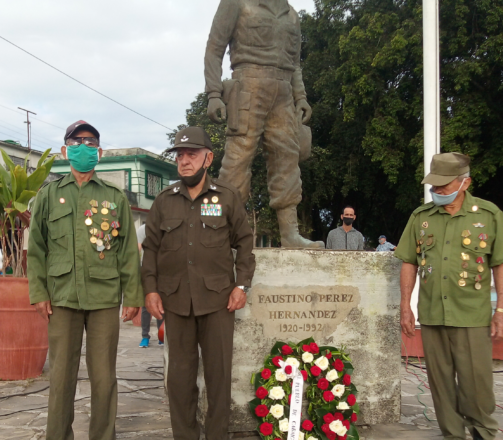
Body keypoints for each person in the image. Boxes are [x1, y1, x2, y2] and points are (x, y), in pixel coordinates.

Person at [27, 120, 143, 440]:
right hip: (61, 297)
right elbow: (36, 248)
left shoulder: (113, 197)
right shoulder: (49, 196)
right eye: (76, 142)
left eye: (90, 143)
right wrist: (38, 292)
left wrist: (133, 296)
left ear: (100, 153)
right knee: (61, 378)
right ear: (66, 151)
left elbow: (127, 251)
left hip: (103, 297)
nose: (83, 148)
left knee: (104, 379)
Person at [395, 152, 503, 440]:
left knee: (476, 383)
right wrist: (405, 306)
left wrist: (502, 311)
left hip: (471, 316)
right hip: (432, 314)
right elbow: (408, 262)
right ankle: (452, 434)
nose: (437, 190)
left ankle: (483, 432)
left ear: (465, 183)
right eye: (434, 185)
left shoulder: (489, 216)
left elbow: (502, 263)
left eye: (444, 185)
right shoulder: (421, 217)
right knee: (439, 383)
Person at [142, 127, 256, 440]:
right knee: (178, 379)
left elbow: (245, 244)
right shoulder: (165, 201)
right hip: (175, 301)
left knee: (219, 378)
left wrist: (241, 285)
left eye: (192, 154)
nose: (184, 161)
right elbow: (150, 248)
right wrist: (150, 289)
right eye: (180, 155)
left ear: (208, 158)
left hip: (219, 301)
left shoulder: (226, 197)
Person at [205, 0, 322, 249]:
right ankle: (222, 233)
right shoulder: (236, 3)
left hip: (283, 92)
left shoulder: (291, 14)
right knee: (237, 161)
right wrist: (214, 93)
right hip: (247, 86)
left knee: (287, 160)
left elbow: (296, 63)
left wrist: (300, 97)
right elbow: (214, 48)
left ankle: (290, 234)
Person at [136, 223, 163, 348]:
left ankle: (161, 335)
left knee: (162, 305)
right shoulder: (143, 229)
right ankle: (145, 336)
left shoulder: (165, 226)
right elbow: (137, 248)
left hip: (164, 271)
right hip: (147, 271)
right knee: (146, 306)